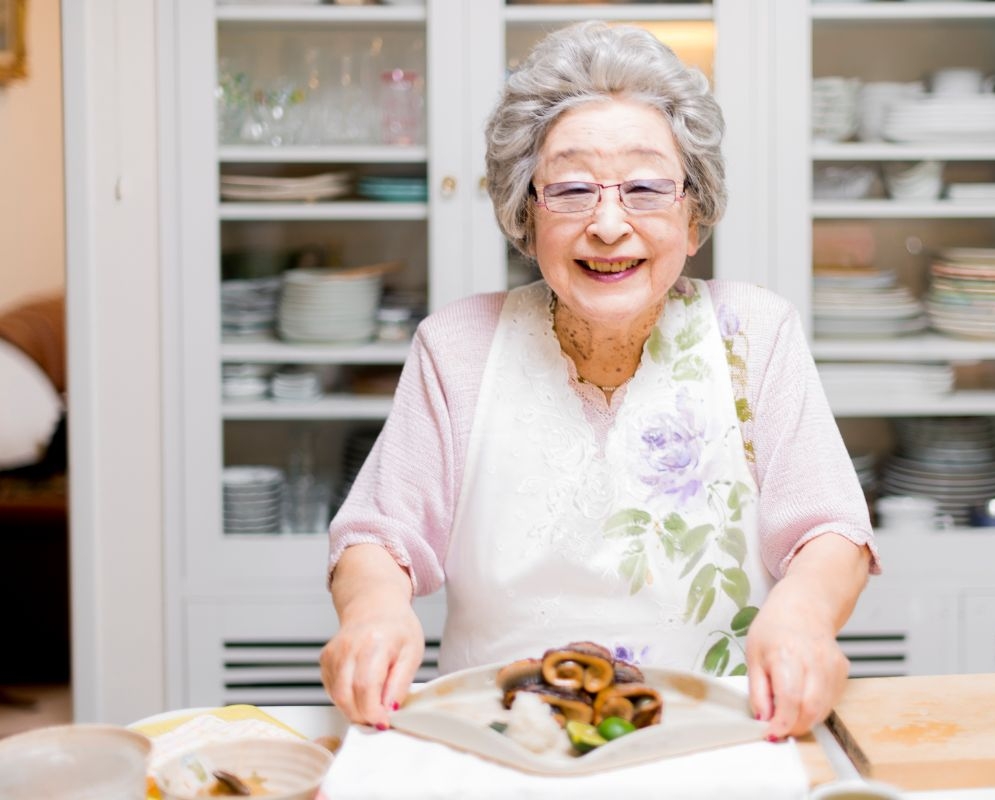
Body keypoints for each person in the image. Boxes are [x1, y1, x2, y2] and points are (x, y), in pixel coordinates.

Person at [320, 21, 878, 742]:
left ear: (695, 216)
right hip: (499, 747)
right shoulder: (457, 345)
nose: (609, 225)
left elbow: (829, 530)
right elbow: (379, 535)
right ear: (525, 214)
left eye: (646, 188)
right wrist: (374, 613)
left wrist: (804, 616)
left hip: (720, 740)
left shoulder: (755, 331)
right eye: (573, 189)